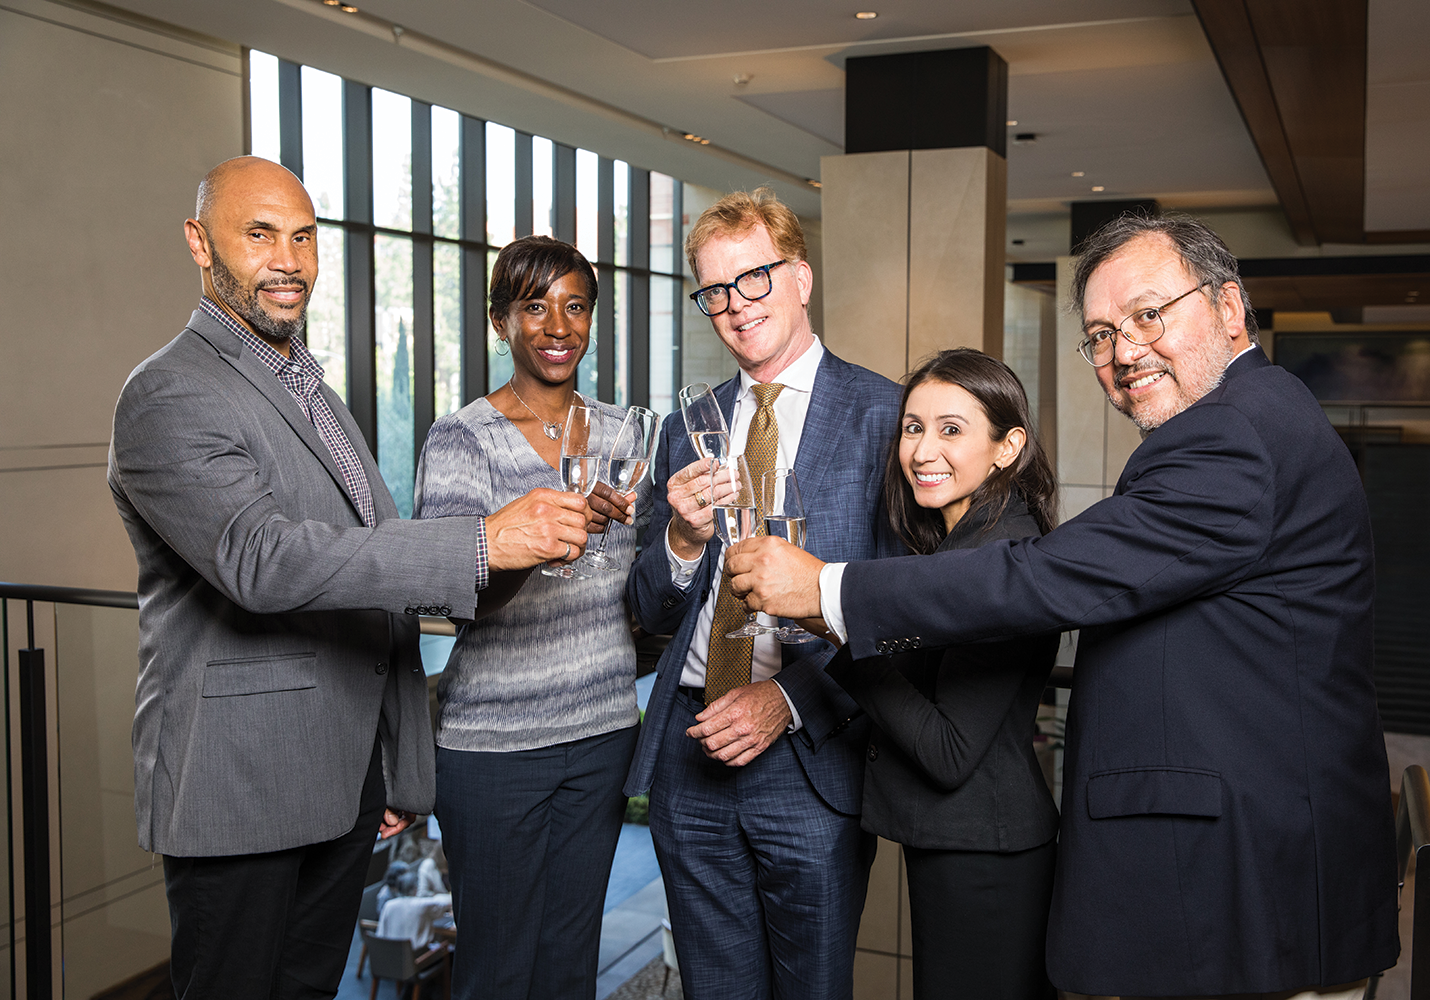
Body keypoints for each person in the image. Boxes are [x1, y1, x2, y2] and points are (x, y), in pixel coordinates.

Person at [728, 213, 1399, 999]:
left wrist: (826, 591)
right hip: (1231, 862)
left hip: (1247, 873)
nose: (1124, 350)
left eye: (1149, 314)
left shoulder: (1234, 435)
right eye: (1103, 334)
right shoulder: (1249, 419)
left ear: (1227, 308)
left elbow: (1044, 578)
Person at [108, 156, 589, 999]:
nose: (288, 260)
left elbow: (365, 561)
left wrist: (390, 764)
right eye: (259, 235)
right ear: (199, 243)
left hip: (340, 783)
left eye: (303, 237)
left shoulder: (307, 388)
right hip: (240, 791)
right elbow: (262, 561)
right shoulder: (168, 392)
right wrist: (478, 542)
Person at [624, 187, 901, 1000]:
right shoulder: (689, 423)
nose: (737, 308)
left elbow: (902, 611)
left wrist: (787, 699)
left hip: (811, 758)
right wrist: (677, 540)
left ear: (802, 279)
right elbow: (646, 610)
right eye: (715, 291)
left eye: (755, 279)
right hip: (689, 746)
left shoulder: (886, 416)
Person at [413, 235, 642, 1000]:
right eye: (534, 306)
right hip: (495, 750)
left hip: (605, 730)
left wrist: (674, 536)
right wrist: (533, 545)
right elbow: (454, 597)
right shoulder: (460, 439)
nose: (557, 325)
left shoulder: (623, 434)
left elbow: (644, 593)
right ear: (498, 322)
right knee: (497, 971)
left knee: (569, 965)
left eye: (575, 306)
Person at [823, 348, 1059, 1000]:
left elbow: (950, 750)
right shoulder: (957, 548)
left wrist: (841, 630)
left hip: (986, 854)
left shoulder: (998, 561)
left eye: (952, 429)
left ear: (1008, 446)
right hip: (970, 844)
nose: (924, 450)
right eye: (913, 427)